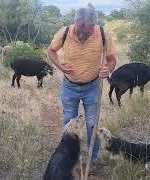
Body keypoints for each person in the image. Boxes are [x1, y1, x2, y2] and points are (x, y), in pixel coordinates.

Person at [46, 7, 117, 171]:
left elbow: (112, 59)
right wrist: (60, 66)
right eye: (79, 30)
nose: (82, 35)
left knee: (92, 125)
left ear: (94, 26)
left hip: (93, 87)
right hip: (69, 87)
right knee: (69, 125)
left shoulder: (103, 34)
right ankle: (72, 158)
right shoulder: (64, 32)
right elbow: (51, 51)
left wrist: (108, 69)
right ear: (75, 23)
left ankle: (93, 159)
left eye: (87, 32)